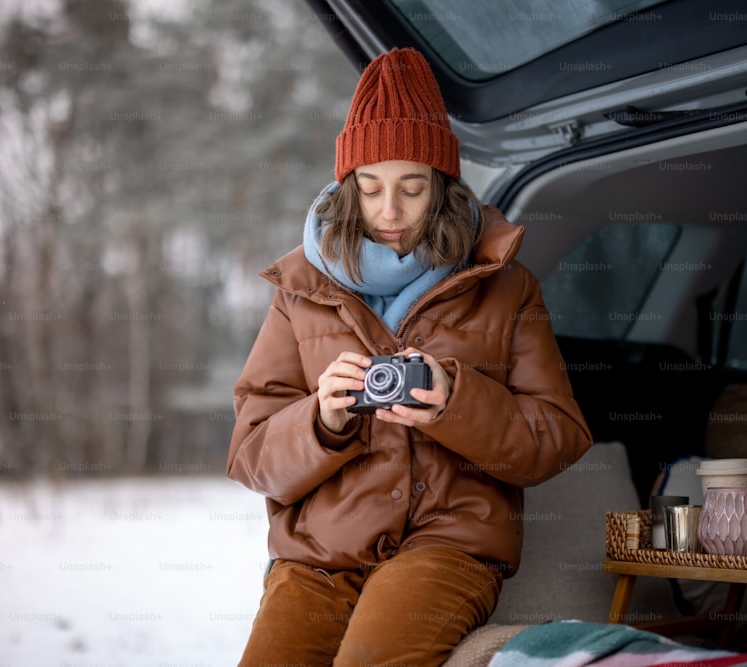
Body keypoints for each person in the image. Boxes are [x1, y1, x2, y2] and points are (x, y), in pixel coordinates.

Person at [228, 47, 593, 667]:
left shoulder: (506, 285)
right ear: (347, 191)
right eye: (370, 189)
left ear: (444, 188)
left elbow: (557, 438)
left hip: (447, 547)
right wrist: (322, 420)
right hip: (317, 557)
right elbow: (251, 457)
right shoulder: (299, 292)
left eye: (412, 188)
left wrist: (457, 401)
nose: (389, 213)